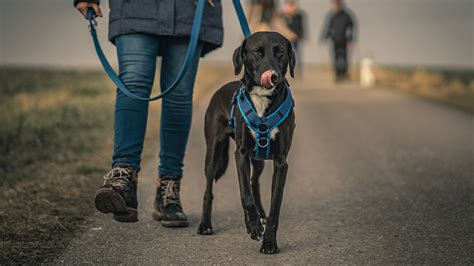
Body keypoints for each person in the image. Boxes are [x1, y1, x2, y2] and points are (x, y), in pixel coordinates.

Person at [74, 0, 223, 227]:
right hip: (135, 7)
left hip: (189, 9)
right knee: (132, 83)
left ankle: (169, 188)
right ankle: (124, 177)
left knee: (179, 94)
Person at [321, 0, 356, 82]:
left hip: (344, 40)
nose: (333, 7)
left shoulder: (347, 15)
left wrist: (351, 39)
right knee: (336, 58)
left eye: (335, 5)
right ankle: (337, 75)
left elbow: (351, 27)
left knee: (344, 58)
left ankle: (344, 74)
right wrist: (325, 36)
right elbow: (328, 27)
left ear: (339, 5)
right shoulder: (332, 15)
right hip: (335, 40)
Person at [280, 0, 306, 77]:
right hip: (285, 39)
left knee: (297, 56)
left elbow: (302, 27)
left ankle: (298, 73)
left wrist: (301, 36)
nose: (291, 8)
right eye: (289, 6)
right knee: (284, 56)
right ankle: (284, 72)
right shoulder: (282, 16)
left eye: (293, 6)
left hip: (296, 39)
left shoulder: (299, 16)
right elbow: (279, 27)